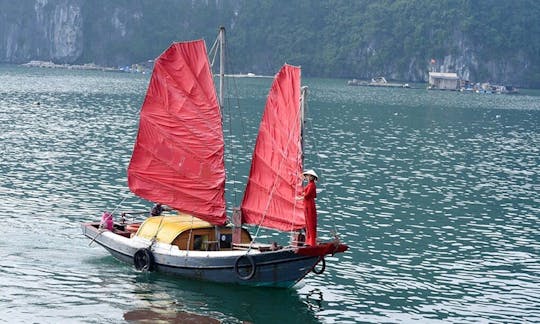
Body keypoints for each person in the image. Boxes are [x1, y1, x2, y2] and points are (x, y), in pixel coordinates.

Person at [299, 169, 318, 246]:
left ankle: (312, 242)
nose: (307, 177)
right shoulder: (309, 184)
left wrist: (300, 198)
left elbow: (307, 195)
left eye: (309, 176)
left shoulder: (312, 185)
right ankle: (308, 241)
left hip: (309, 205)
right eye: (307, 176)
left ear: (313, 177)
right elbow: (303, 192)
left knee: (310, 223)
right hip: (307, 205)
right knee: (307, 223)